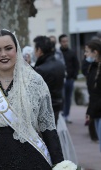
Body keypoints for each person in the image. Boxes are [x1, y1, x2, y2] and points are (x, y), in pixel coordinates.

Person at [0, 29, 82, 170]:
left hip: (29, 160)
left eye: (8, 48)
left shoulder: (35, 82)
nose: (3, 54)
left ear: (17, 50)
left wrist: (60, 164)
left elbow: (48, 128)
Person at [33, 36, 78, 164]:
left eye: (35, 49)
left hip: (46, 110)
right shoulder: (59, 64)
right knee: (54, 140)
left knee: (46, 143)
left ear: (39, 50)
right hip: (58, 106)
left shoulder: (40, 70)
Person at [84, 40, 101, 151]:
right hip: (96, 111)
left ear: (95, 52)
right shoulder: (92, 67)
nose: (85, 54)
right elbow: (93, 93)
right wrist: (90, 111)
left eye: (87, 51)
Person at [59, 34, 79, 123]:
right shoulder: (58, 53)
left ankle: (67, 115)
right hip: (60, 80)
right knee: (62, 98)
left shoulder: (72, 52)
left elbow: (76, 65)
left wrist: (74, 76)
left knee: (68, 98)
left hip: (70, 79)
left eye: (66, 41)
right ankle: (62, 114)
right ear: (60, 42)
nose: (65, 43)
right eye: (63, 41)